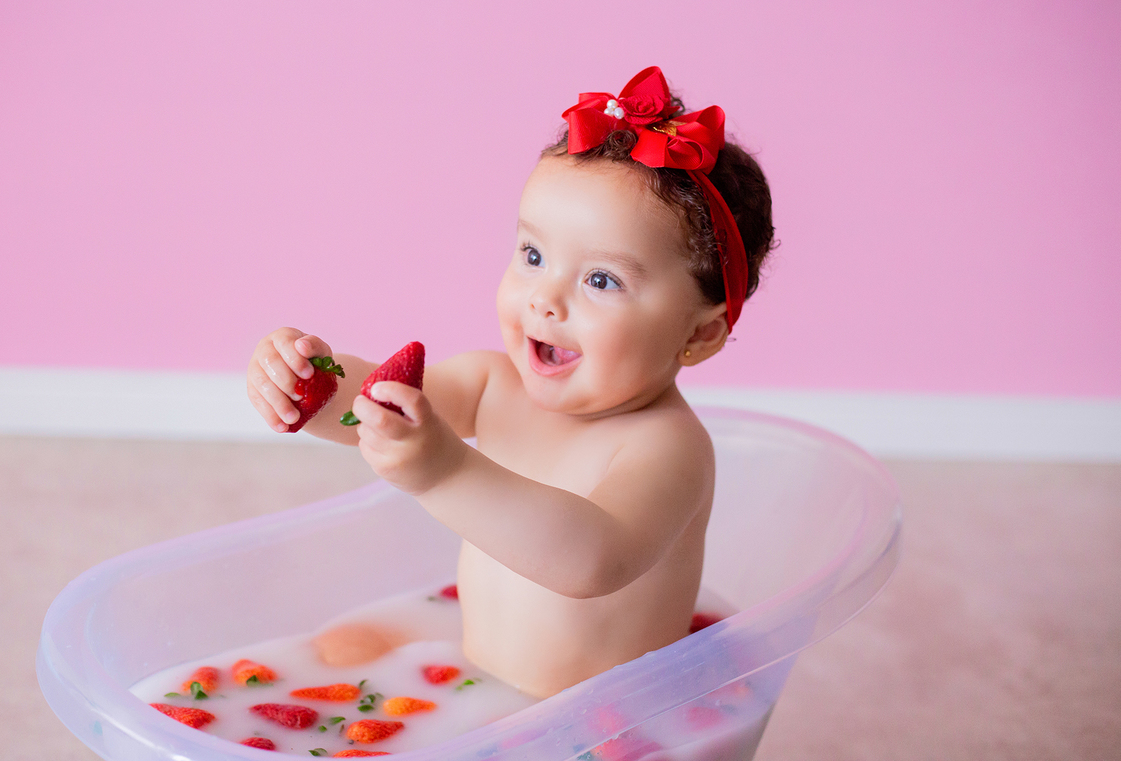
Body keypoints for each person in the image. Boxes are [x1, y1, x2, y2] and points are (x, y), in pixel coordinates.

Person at [246, 67, 775, 698]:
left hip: (603, 726)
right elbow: (378, 406)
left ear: (699, 336)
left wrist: (442, 472)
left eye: (601, 280)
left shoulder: (667, 449)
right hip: (480, 691)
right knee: (328, 661)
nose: (544, 299)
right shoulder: (490, 383)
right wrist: (310, 383)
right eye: (532, 256)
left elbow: (591, 558)